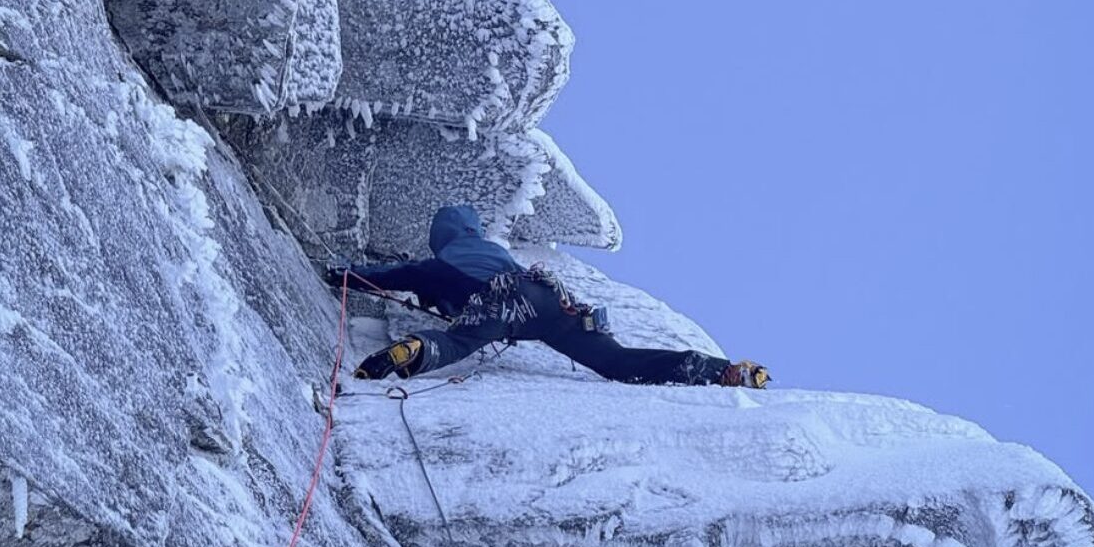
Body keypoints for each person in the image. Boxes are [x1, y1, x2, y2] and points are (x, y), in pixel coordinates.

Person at [326, 204, 769, 388]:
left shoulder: (437, 266)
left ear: (441, 236)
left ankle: (416, 349)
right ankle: (722, 372)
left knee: (461, 341)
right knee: (619, 363)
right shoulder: (493, 250)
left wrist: (342, 275)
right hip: (549, 300)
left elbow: (385, 276)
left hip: (502, 304)